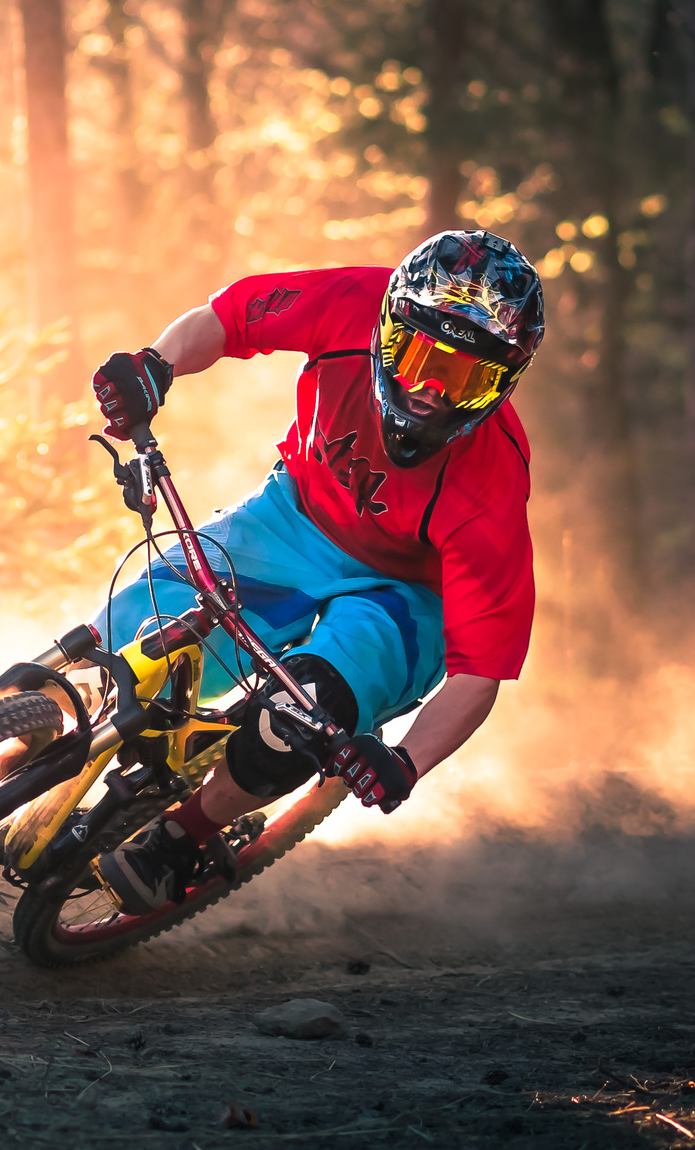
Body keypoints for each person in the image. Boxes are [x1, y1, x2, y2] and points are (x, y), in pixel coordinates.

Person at [81, 229, 545, 913]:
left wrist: (406, 762)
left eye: (464, 378)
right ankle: (23, 761)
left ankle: (182, 839)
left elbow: (480, 674)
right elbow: (225, 319)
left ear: (501, 384)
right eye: (421, 359)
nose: (428, 393)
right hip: (293, 516)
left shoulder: (494, 482)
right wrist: (156, 363)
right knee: (126, 635)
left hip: (405, 597)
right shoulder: (350, 301)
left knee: (304, 714)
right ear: (388, 329)